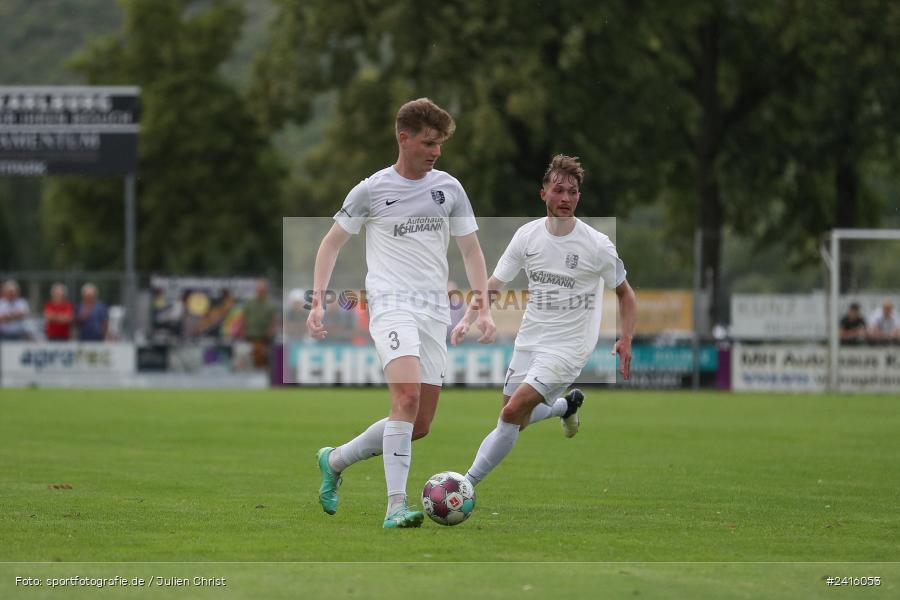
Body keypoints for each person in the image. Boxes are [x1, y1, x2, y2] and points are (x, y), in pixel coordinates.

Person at [307, 98, 496, 528]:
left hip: (433, 313)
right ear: (403, 138)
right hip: (391, 305)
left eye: (441, 144)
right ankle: (396, 506)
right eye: (429, 142)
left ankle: (334, 461)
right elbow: (331, 242)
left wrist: (481, 306)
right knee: (406, 398)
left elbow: (471, 250)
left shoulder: (449, 188)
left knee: (418, 422)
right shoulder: (371, 190)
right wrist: (318, 299)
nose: (436, 152)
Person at [450, 154, 637, 488]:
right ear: (544, 194)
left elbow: (626, 294)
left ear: (579, 196)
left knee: (510, 415)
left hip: (569, 347)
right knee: (515, 420)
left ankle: (464, 487)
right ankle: (565, 406)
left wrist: (626, 338)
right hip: (530, 339)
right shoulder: (527, 235)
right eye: (559, 190)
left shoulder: (597, 245)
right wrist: (468, 318)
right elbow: (493, 285)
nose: (566, 198)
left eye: (573, 192)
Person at [243, 280, 278, 368]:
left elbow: (274, 319)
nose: (260, 291)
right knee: (253, 354)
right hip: (251, 334)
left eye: (262, 290)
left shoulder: (270, 304)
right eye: (259, 289)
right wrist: (242, 329)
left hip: (265, 336)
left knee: (264, 355)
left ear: (266, 291)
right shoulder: (249, 302)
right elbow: (243, 316)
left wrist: (271, 330)